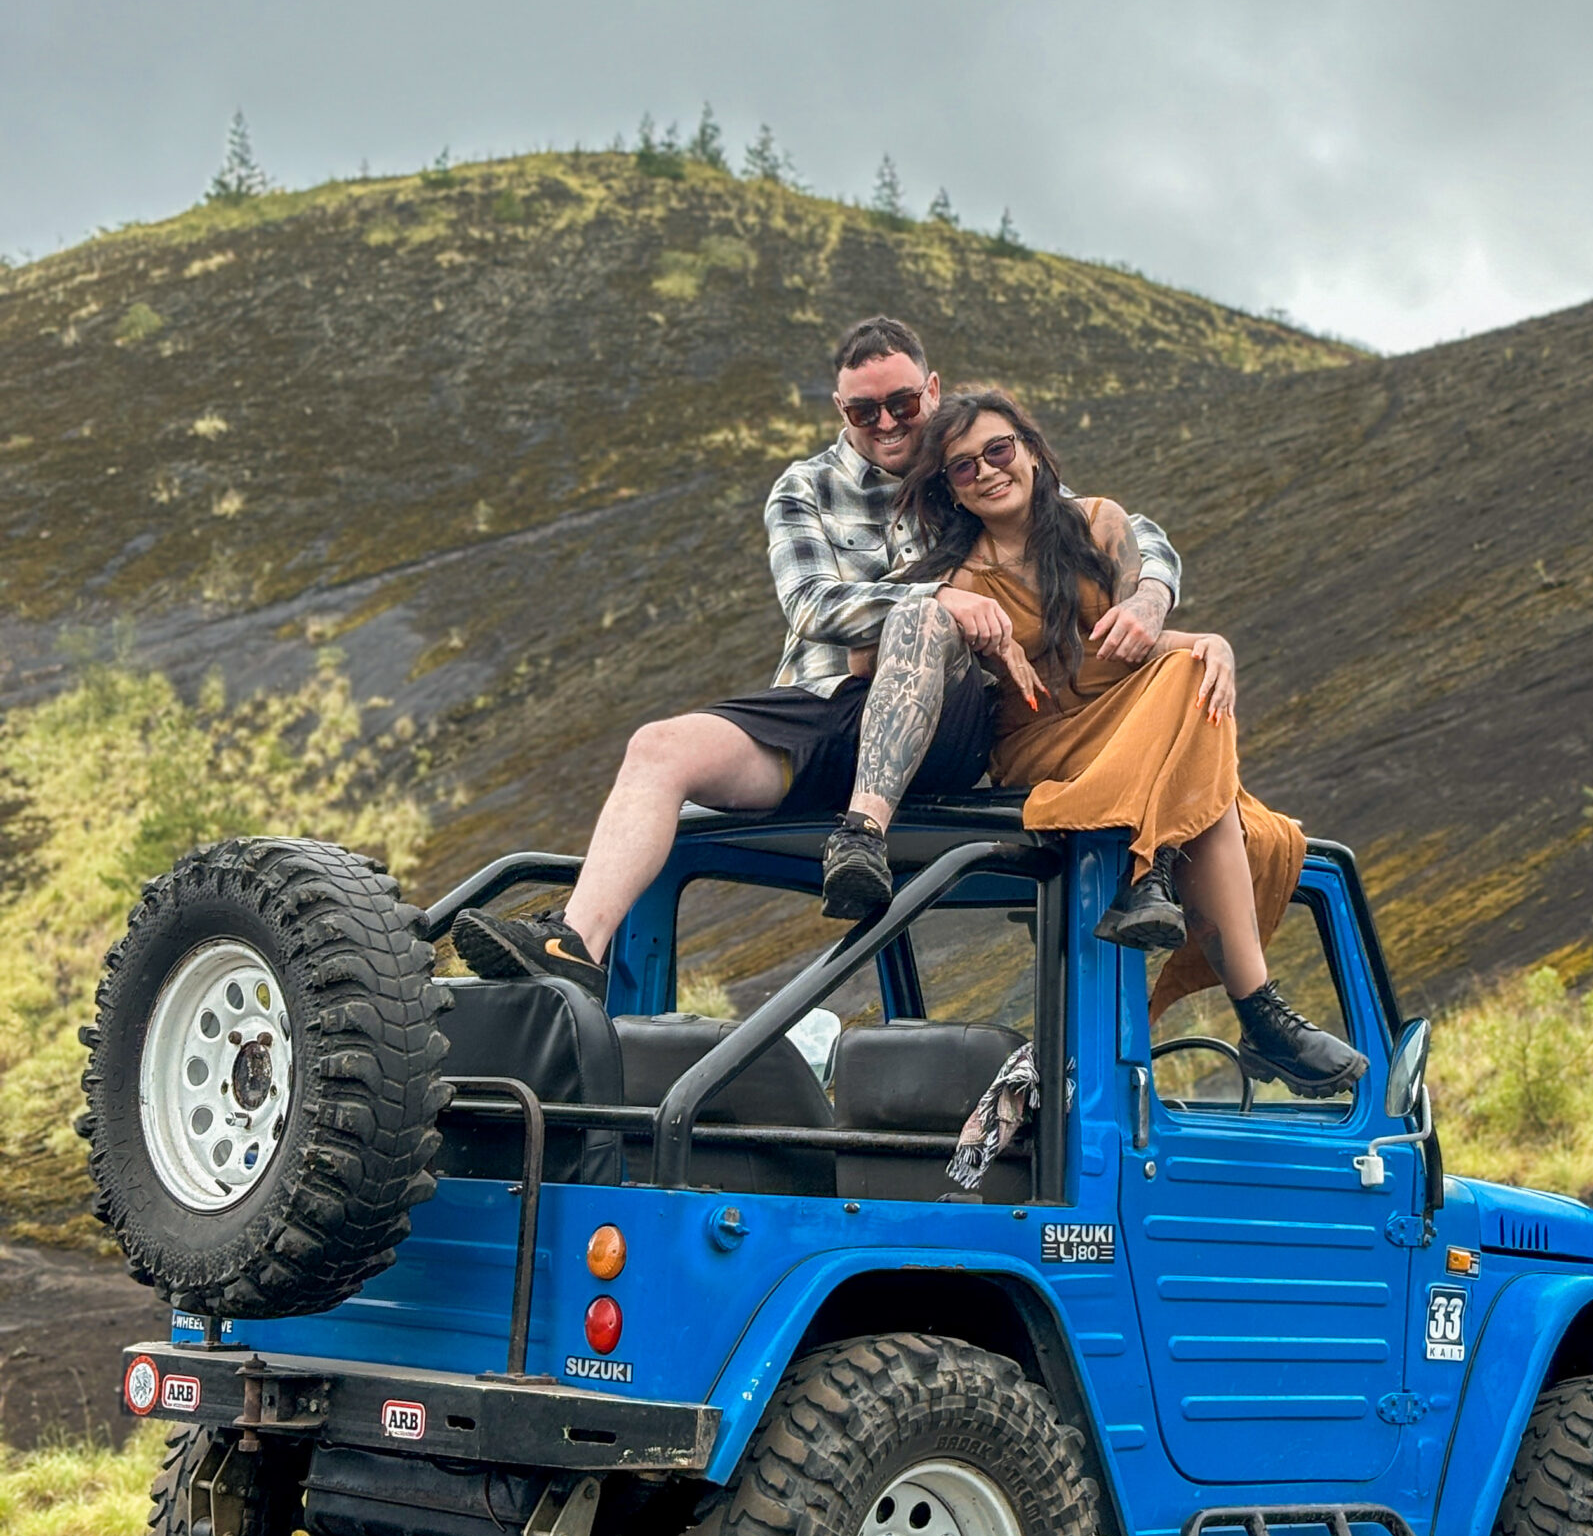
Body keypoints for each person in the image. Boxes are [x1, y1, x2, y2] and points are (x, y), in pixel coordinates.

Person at [453, 318, 1183, 997]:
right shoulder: (805, 489)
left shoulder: (975, 469)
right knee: (658, 747)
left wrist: (1150, 595)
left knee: (924, 624)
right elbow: (810, 607)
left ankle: (862, 834)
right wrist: (938, 599)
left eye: (901, 402)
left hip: (955, 726)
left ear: (930, 390)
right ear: (840, 410)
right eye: (865, 412)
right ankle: (574, 947)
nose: (889, 423)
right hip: (832, 706)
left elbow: (1111, 527)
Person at [823, 387, 1365, 1099]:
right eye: (962, 468)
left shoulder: (1100, 525)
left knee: (1195, 666)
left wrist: (1210, 641)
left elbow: (1129, 647)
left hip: (1127, 719)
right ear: (950, 491)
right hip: (1038, 739)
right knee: (1215, 796)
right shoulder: (953, 573)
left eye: (998, 450)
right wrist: (945, 615)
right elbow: (864, 658)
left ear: (1033, 452)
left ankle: (1159, 880)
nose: (985, 471)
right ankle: (1214, 953)